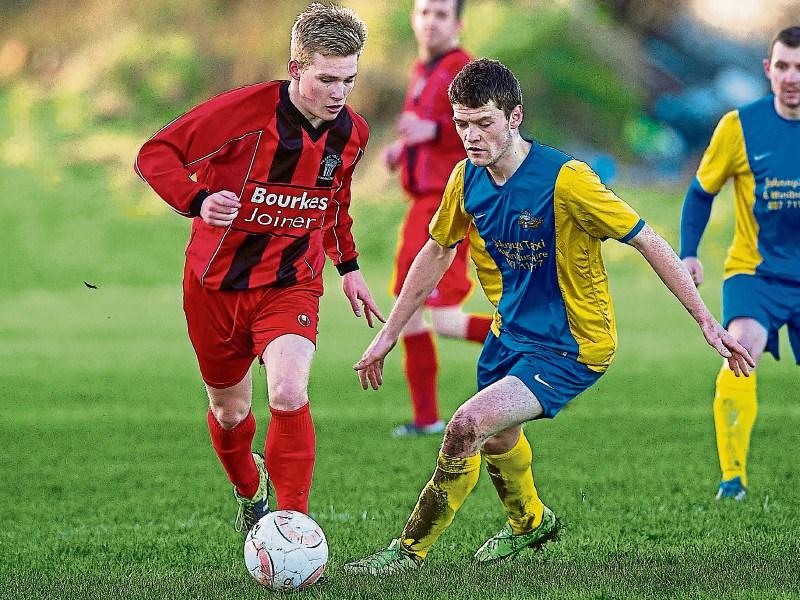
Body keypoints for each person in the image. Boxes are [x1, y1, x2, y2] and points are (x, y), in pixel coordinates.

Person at [343, 59, 754, 574]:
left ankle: (407, 553)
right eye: (462, 123)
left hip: (572, 344)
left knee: (466, 425)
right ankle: (531, 524)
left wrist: (705, 321)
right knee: (497, 438)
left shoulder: (567, 180)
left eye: (484, 123)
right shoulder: (465, 178)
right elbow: (436, 249)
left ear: (515, 117)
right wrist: (388, 334)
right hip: (508, 334)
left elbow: (646, 238)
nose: (471, 136)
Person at [134, 3, 383, 535]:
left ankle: (292, 524)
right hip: (216, 286)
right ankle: (251, 491)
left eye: (349, 79)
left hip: (292, 284)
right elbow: (155, 154)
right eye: (326, 78)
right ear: (296, 67)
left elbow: (334, 200)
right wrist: (198, 199)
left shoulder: (352, 133)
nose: (339, 92)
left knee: (289, 391)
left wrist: (350, 266)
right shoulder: (243, 112)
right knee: (229, 413)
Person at [679, 26, 800, 502]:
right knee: (740, 353)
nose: (792, 77)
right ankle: (733, 481)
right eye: (784, 66)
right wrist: (689, 251)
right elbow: (699, 192)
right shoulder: (739, 126)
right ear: (769, 70)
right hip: (756, 273)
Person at [381, 0, 493, 437]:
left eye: (441, 14)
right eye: (424, 12)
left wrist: (438, 132)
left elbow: (490, 123)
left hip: (446, 207)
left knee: (442, 318)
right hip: (421, 206)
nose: (430, 21)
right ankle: (426, 418)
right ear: (413, 19)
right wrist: (402, 148)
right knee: (409, 310)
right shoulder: (422, 70)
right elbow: (422, 129)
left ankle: (537, 344)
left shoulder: (463, 69)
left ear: (458, 23)